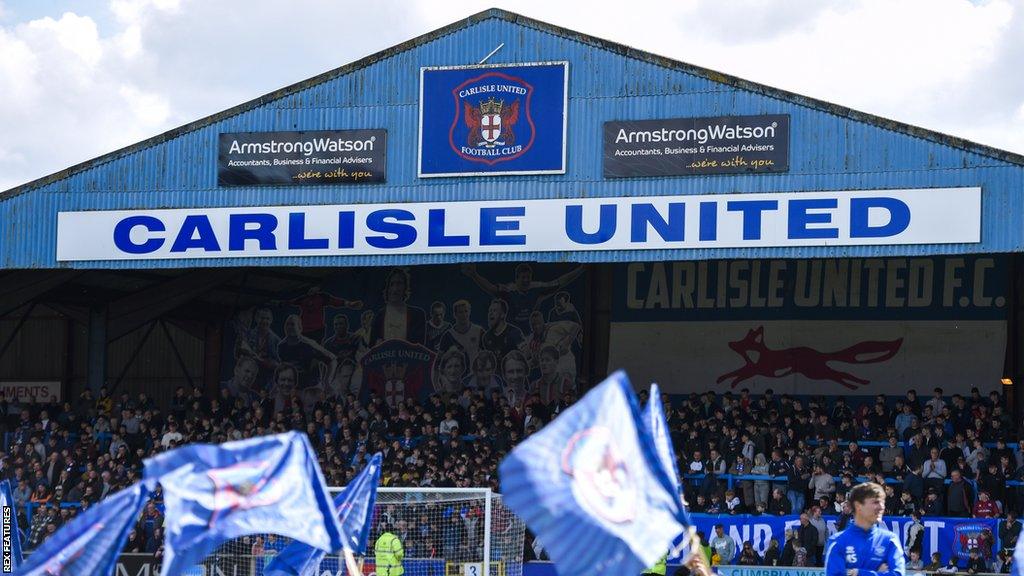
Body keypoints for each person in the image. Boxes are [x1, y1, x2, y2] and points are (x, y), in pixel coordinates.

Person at [824, 482, 905, 576]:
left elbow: (897, 574)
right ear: (858, 506)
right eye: (875, 502)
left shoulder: (889, 540)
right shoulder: (838, 542)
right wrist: (879, 573)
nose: (881, 507)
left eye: (883, 502)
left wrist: (859, 573)